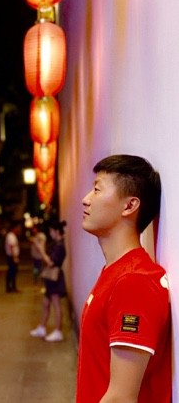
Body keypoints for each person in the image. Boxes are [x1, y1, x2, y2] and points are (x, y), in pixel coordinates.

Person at [76, 154, 171, 402]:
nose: (86, 199)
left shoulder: (134, 281)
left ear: (129, 206)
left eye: (97, 189)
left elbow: (121, 398)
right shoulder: (117, 272)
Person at [30, 220, 67, 342]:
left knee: (56, 304)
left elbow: (51, 262)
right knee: (46, 303)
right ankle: (42, 327)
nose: (50, 233)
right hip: (52, 278)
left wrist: (41, 250)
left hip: (55, 277)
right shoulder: (57, 244)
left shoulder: (60, 246)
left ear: (57, 231)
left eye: (51, 231)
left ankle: (58, 331)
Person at [4, 223, 21, 293]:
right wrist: (15, 257)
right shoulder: (11, 236)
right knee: (12, 272)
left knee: (13, 272)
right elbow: (11, 247)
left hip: (12, 256)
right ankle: (11, 287)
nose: (19, 229)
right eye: (18, 228)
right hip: (12, 256)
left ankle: (11, 287)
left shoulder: (12, 235)